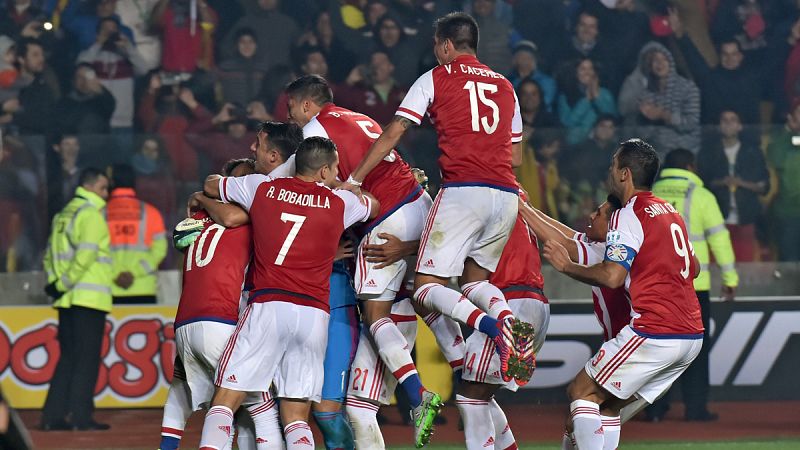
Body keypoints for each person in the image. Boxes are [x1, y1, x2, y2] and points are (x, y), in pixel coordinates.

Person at [340, 11, 536, 389]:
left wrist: (356, 178)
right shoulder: (506, 85)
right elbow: (515, 158)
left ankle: (498, 328)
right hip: (506, 195)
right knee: (474, 281)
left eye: (436, 47)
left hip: (464, 191)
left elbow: (394, 130)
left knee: (427, 286)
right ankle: (504, 325)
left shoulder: (436, 77)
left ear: (446, 45)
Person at [284, 74, 447, 448]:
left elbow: (305, 186)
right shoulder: (359, 117)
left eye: (292, 107)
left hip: (386, 215)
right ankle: (465, 356)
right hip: (418, 203)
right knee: (426, 294)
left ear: (307, 105)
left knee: (375, 316)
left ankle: (420, 394)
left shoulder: (315, 132)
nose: (291, 115)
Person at [197, 137, 378, 450]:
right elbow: (373, 205)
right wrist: (346, 186)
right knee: (296, 417)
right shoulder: (339, 203)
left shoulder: (261, 188)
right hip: (314, 316)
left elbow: (212, 184)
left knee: (225, 401)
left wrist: (204, 193)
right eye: (334, 167)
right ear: (324, 170)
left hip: (268, 304)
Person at [542, 139, 703, 450]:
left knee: (581, 391)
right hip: (690, 336)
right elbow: (693, 268)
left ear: (624, 174)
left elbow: (612, 277)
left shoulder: (628, 214)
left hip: (656, 329)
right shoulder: (671, 212)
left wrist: (566, 266)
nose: (609, 172)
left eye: (612, 166)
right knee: (608, 405)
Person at [159, 158, 283, 450]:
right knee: (257, 405)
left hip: (186, 323)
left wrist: (201, 196)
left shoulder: (197, 218)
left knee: (182, 391)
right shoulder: (248, 215)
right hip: (220, 320)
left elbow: (180, 237)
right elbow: (233, 219)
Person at [648, 148, 739, 422]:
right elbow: (719, 240)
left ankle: (653, 409)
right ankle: (695, 409)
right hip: (694, 287)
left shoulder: (648, 197)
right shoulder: (701, 196)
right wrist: (730, 279)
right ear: (691, 166)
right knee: (696, 350)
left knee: (654, 348)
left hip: (654, 288)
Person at [40, 168, 113, 431]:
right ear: (91, 187)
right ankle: (81, 417)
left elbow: (50, 254)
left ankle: (53, 417)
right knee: (86, 360)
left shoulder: (64, 214)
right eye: (104, 188)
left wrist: (56, 285)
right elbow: (86, 255)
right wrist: (65, 283)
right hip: (88, 297)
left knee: (68, 358)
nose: (107, 194)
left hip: (66, 299)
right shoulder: (91, 214)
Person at [699, 110, 770, 262]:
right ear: (719, 126)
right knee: (717, 266)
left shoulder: (753, 152)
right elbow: (701, 184)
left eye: (733, 120)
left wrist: (741, 183)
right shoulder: (708, 152)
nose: (728, 123)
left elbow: (764, 186)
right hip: (717, 219)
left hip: (746, 219)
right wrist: (722, 182)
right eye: (724, 120)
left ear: (740, 126)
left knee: (744, 265)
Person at [617, 42, 700, 155]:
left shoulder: (688, 88)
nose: (659, 64)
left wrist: (664, 115)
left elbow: (691, 124)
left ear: (670, 61)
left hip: (683, 151)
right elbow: (626, 114)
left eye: (663, 59)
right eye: (655, 60)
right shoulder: (646, 92)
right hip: (654, 153)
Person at [105, 164, 167, 304]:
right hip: (143, 288)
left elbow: (95, 251)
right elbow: (159, 251)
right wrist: (134, 273)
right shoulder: (151, 212)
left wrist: (116, 274)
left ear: (111, 183)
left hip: (110, 288)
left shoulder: (100, 213)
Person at [76, 16, 149, 134]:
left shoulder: (126, 56)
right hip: (97, 120)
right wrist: (98, 43)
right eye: (105, 30)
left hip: (123, 122)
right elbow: (80, 65)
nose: (110, 33)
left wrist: (128, 47)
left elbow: (143, 69)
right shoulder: (92, 54)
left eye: (113, 30)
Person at [767, 101, 800, 261]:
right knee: (789, 260)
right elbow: (775, 158)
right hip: (789, 213)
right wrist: (788, 131)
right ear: (792, 117)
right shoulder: (783, 141)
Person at [556, 58, 616, 145]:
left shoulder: (605, 93)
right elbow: (567, 122)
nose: (587, 72)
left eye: (590, 69)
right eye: (583, 69)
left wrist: (596, 96)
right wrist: (587, 100)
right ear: (575, 72)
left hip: (603, 143)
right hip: (576, 144)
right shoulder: (565, 95)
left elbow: (611, 117)